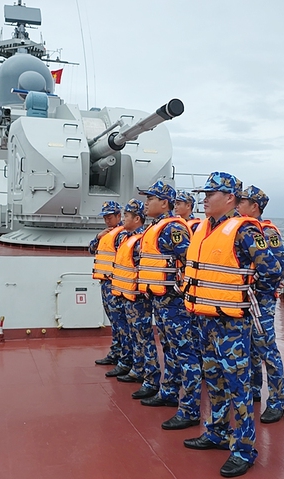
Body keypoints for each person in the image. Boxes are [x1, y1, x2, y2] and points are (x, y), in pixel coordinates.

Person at [182, 172, 281, 478]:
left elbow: (272, 269)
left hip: (232, 324)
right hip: (204, 319)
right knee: (213, 381)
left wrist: (248, 300)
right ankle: (217, 432)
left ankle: (244, 449)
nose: (204, 199)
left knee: (238, 388)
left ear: (229, 198)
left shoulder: (244, 231)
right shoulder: (203, 228)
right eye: (204, 194)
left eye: (210, 194)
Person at [137, 181, 202, 431]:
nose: (146, 203)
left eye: (150, 199)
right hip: (159, 299)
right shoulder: (155, 227)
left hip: (173, 301)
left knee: (185, 353)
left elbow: (189, 260)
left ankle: (190, 410)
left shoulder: (173, 228)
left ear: (164, 203)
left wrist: (182, 290)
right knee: (169, 348)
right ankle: (169, 392)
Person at [237, 185, 284, 424]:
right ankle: (254, 389)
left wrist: (263, 292)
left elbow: (281, 265)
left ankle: (278, 401)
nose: (238, 204)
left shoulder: (266, 232)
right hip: (244, 300)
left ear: (254, 206)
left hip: (260, 301)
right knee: (249, 348)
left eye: (242, 201)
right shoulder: (242, 229)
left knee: (267, 350)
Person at [111, 199, 160, 399]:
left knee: (144, 339)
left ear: (137, 218)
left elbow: (144, 268)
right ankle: (137, 369)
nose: (123, 219)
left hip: (138, 298)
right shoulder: (126, 238)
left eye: (126, 216)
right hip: (126, 296)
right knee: (134, 337)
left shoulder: (140, 241)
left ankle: (151, 379)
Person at [90, 201, 132, 375]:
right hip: (105, 284)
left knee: (121, 323)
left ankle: (125, 359)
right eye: (105, 217)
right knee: (114, 322)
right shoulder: (106, 234)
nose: (107, 220)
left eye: (110, 216)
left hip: (115, 284)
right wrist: (98, 237)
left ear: (118, 216)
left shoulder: (122, 234)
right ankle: (116, 353)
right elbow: (91, 249)